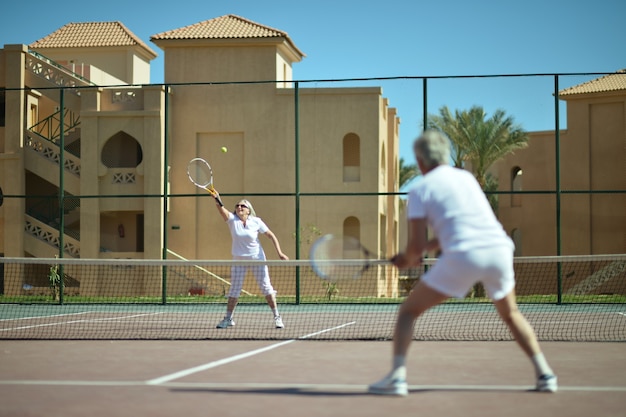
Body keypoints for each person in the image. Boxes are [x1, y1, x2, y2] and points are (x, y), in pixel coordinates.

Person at [368, 129, 557, 396]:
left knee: (408, 312)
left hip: (464, 255)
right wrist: (420, 251)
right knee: (512, 314)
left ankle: (397, 379)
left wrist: (406, 259)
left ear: (420, 161)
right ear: (445, 156)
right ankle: (545, 375)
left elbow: (415, 247)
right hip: (499, 250)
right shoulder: (467, 179)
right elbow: (463, 228)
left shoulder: (419, 189)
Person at [209, 190, 289, 329]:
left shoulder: (256, 221)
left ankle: (277, 317)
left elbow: (271, 235)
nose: (239, 207)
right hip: (239, 260)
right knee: (234, 290)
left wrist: (280, 253)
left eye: (242, 206)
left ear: (248, 210)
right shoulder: (232, 221)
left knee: (266, 288)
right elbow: (221, 209)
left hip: (257, 258)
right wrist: (217, 197)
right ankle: (228, 318)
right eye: (237, 205)